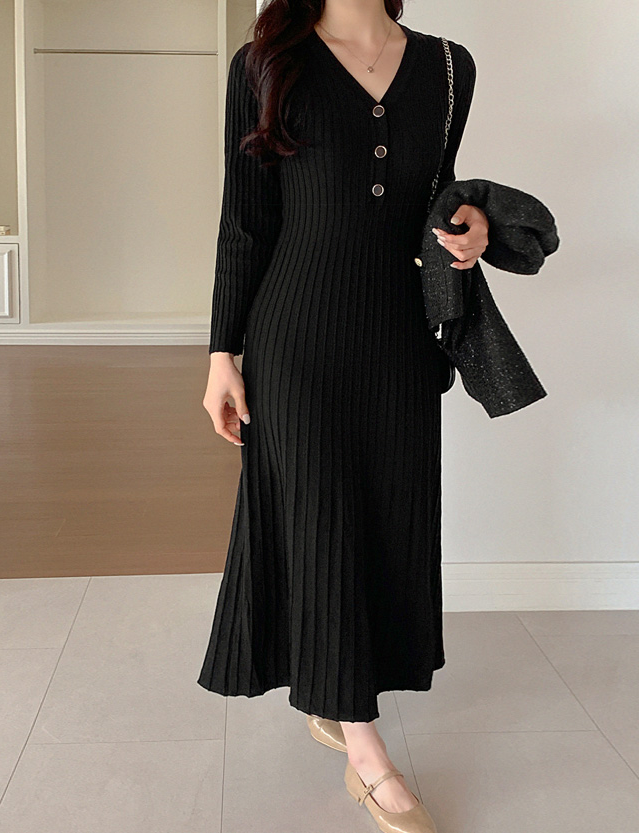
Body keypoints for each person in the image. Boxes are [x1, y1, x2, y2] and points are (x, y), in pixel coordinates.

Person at [198, 2, 489, 830]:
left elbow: (435, 198)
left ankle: (335, 693)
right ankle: (365, 749)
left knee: (387, 520)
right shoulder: (267, 63)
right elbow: (245, 219)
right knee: (321, 523)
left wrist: (470, 227)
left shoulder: (448, 66)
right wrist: (221, 352)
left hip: (399, 339)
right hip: (296, 339)